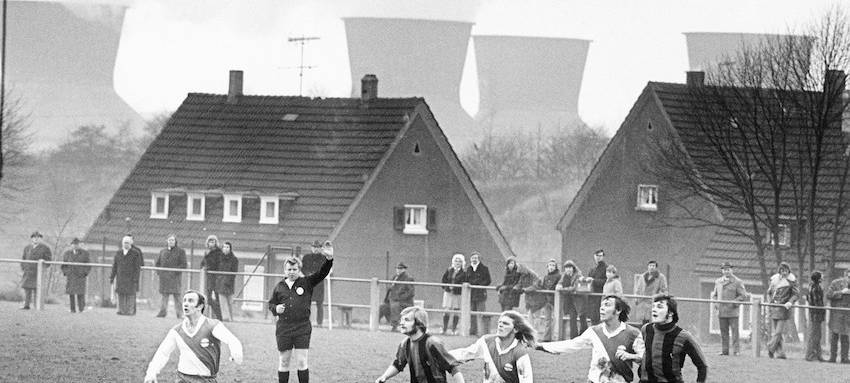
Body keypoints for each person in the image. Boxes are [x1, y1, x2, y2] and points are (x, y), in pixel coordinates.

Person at [537, 295, 644, 383]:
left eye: (607, 305)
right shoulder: (594, 331)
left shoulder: (632, 333)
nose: (602, 308)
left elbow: (645, 359)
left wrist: (630, 356)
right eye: (601, 305)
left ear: (618, 310)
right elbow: (571, 345)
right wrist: (541, 346)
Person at [268, 241, 333, 383]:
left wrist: (329, 259)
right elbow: (271, 303)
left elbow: (322, 273)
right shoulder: (279, 287)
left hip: (302, 328)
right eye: (289, 269)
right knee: (284, 362)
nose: (292, 272)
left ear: (299, 270)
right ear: (285, 270)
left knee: (302, 362)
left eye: (294, 269)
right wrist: (275, 309)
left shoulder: (307, 283)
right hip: (284, 328)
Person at [144, 290, 244, 383]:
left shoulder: (213, 325)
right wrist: (151, 373)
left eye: (190, 301)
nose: (186, 304)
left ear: (200, 306)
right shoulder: (177, 330)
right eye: (184, 301)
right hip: (182, 379)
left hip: (206, 380)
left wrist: (236, 354)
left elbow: (232, 340)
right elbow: (163, 353)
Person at [374, 306, 465, 383]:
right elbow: (398, 364)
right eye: (401, 320)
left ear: (419, 323)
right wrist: (384, 376)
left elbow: (452, 368)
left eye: (406, 320)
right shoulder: (405, 344)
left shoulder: (432, 343)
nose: (401, 323)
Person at [450, 310, 535, 383]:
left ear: (515, 329)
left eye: (505, 324)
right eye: (499, 322)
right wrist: (444, 355)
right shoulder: (486, 342)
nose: (500, 325)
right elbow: (466, 353)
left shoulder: (520, 353)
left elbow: (527, 381)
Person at [638, 294, 708, 383]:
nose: (654, 310)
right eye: (653, 307)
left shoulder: (683, 336)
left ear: (671, 312)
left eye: (659, 307)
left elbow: (702, 365)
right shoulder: (646, 329)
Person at [709, 261, 749, 356]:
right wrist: (715, 303)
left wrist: (734, 302)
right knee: (723, 332)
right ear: (722, 271)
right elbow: (715, 295)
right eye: (724, 270)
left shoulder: (737, 282)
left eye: (728, 269)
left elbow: (743, 295)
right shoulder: (718, 282)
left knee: (735, 332)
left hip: (732, 311)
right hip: (722, 311)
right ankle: (725, 351)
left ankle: (736, 351)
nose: (726, 271)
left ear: (731, 270)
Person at [766, 262, 798, 359]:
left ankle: (770, 346)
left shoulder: (792, 281)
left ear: (789, 271)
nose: (784, 272)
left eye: (786, 271)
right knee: (778, 334)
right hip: (774, 308)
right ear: (779, 271)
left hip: (784, 309)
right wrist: (770, 302)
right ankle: (780, 353)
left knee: (778, 332)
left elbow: (796, 294)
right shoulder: (774, 279)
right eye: (782, 270)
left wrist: (790, 302)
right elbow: (769, 292)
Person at [526, 259, 560, 341]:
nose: (551, 267)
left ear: (556, 267)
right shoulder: (546, 277)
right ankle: (547, 338)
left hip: (555, 301)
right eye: (550, 265)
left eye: (553, 265)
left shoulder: (559, 276)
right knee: (547, 319)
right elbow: (543, 286)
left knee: (556, 319)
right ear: (547, 267)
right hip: (547, 301)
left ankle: (557, 337)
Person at [110, 235, 143, 315]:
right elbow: (115, 266)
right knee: (121, 294)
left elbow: (137, 268)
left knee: (130, 295)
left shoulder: (135, 253)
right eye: (125, 243)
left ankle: (130, 311)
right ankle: (121, 310)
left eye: (127, 243)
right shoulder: (118, 253)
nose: (126, 244)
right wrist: (112, 276)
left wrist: (136, 278)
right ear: (122, 243)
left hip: (131, 278)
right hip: (120, 277)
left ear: (131, 243)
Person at [155, 234, 188, 318]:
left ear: (175, 241)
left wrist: (175, 272)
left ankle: (180, 314)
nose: (171, 241)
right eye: (169, 240)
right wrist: (160, 272)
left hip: (175, 278)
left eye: (172, 240)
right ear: (167, 241)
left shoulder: (181, 251)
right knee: (164, 296)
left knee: (177, 296)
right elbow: (158, 264)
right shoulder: (163, 251)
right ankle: (162, 312)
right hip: (164, 278)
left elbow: (184, 265)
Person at [20, 231, 52, 310]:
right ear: (32, 238)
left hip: (38, 272)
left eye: (38, 237)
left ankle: (36, 306)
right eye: (34, 237)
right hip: (28, 272)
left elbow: (48, 261)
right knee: (27, 289)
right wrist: (24, 267)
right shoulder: (27, 248)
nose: (36, 239)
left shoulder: (45, 248)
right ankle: (26, 305)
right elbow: (23, 259)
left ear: (41, 239)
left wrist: (43, 266)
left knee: (37, 289)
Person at [380, 262, 416, 331]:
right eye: (397, 268)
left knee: (395, 306)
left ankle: (395, 326)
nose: (398, 270)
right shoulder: (395, 277)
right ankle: (375, 325)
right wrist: (387, 299)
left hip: (405, 302)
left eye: (400, 268)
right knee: (383, 307)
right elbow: (390, 289)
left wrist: (399, 298)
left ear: (404, 269)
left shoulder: (408, 278)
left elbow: (411, 293)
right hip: (392, 300)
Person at [301, 240, 328, 327]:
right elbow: (303, 268)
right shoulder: (306, 258)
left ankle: (319, 323)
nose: (315, 249)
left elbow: (325, 270)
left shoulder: (324, 258)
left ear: (320, 248)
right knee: (306, 303)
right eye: (314, 247)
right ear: (311, 248)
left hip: (319, 284)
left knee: (319, 304)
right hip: (309, 283)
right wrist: (308, 274)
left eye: (317, 247)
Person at [557, 260, 587, 339]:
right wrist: (559, 285)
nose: (568, 269)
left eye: (570, 267)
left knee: (582, 319)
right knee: (572, 319)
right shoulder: (564, 275)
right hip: (570, 301)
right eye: (567, 268)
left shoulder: (578, 275)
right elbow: (560, 283)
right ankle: (573, 337)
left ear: (573, 268)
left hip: (579, 300)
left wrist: (563, 289)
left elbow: (575, 287)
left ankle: (584, 336)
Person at [826, 268, 850, 363]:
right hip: (836, 314)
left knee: (845, 337)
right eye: (848, 276)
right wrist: (841, 292)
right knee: (834, 336)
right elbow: (829, 295)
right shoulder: (835, 283)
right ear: (845, 275)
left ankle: (844, 358)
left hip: (847, 315)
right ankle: (833, 357)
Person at [633, 260, 668, 325]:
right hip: (642, 302)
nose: (651, 267)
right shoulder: (643, 276)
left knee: (652, 322)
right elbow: (638, 289)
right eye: (650, 265)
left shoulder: (660, 277)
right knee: (643, 321)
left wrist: (656, 296)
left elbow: (664, 291)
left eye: (653, 266)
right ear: (648, 267)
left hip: (653, 302)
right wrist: (636, 298)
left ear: (656, 267)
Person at [61, 238, 90, 313]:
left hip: (80, 276)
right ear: (71, 245)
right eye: (73, 244)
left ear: (79, 245)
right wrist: (66, 273)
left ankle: (81, 309)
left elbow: (88, 265)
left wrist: (84, 273)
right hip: (71, 276)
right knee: (71, 293)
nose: (75, 246)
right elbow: (64, 265)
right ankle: (72, 309)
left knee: (80, 293)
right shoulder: (67, 253)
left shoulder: (85, 253)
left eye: (77, 244)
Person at [441, 253, 468, 335]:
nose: (457, 262)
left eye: (459, 261)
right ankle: (444, 329)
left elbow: (465, 282)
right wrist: (447, 287)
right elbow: (444, 280)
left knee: (456, 311)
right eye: (456, 261)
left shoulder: (464, 272)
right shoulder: (449, 270)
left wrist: (456, 288)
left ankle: (454, 329)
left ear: (462, 263)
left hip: (457, 294)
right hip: (448, 293)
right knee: (446, 310)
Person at [466, 251, 491, 337]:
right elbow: (466, 279)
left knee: (481, 312)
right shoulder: (468, 269)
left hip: (480, 294)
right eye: (473, 258)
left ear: (479, 259)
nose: (474, 259)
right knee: (472, 313)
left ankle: (481, 331)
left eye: (476, 258)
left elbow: (488, 280)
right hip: (471, 294)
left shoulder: (484, 269)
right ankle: (473, 330)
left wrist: (480, 285)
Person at [201, 235, 224, 320]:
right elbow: (202, 263)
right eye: (210, 241)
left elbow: (215, 264)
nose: (211, 243)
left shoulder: (219, 252)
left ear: (215, 243)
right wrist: (203, 266)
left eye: (213, 242)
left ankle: (219, 316)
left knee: (217, 297)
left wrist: (207, 258)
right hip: (209, 278)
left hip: (216, 278)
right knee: (209, 298)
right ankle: (218, 315)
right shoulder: (207, 252)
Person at [215, 241, 239, 322]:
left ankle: (231, 318)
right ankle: (226, 318)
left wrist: (228, 281)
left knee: (230, 302)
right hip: (220, 283)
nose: (225, 249)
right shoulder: (219, 258)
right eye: (224, 247)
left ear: (230, 249)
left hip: (229, 284)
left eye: (227, 247)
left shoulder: (234, 259)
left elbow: (234, 272)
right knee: (222, 302)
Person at [806, 270, 826, 362]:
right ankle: (811, 355)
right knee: (815, 335)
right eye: (821, 276)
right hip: (816, 315)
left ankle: (818, 355)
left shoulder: (810, 286)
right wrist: (822, 311)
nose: (823, 278)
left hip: (813, 314)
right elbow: (817, 303)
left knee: (816, 334)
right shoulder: (816, 288)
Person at [587, 249, 608, 325]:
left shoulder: (606, 268)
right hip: (592, 295)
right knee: (593, 318)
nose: (598, 257)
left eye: (600, 256)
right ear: (594, 256)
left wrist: (593, 280)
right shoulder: (592, 268)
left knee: (599, 317)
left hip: (600, 296)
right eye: (597, 255)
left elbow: (606, 281)